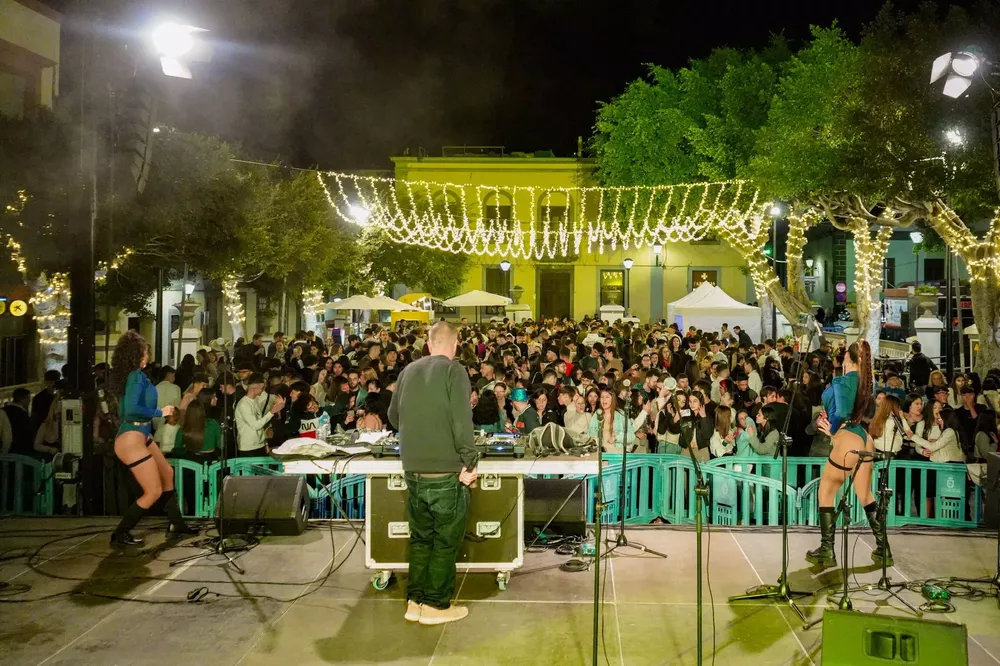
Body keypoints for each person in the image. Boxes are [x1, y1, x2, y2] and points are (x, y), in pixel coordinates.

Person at [388, 321, 478, 626]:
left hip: (412, 471)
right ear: (455, 344)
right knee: (444, 542)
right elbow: (460, 421)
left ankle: (415, 601)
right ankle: (436, 606)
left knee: (421, 538)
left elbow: (392, 416)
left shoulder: (407, 372)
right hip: (445, 473)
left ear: (428, 343)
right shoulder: (455, 371)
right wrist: (470, 461)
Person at [108, 331, 195, 546]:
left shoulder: (135, 375)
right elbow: (130, 410)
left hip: (140, 435)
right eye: (146, 351)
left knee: (167, 472)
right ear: (138, 354)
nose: (148, 355)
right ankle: (120, 533)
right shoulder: (136, 376)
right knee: (153, 491)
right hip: (131, 438)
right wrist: (160, 412)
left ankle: (177, 524)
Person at [806, 340, 886, 569]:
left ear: (847, 359)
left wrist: (830, 430)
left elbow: (840, 411)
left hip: (845, 438)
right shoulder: (866, 382)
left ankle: (826, 549)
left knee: (826, 491)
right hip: (863, 437)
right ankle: (883, 547)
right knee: (865, 494)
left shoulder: (842, 381)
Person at [235, 373, 285, 456]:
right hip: (248, 447)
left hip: (260, 444)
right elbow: (255, 425)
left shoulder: (255, 400)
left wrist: (265, 444)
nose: (263, 390)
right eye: (262, 388)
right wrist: (272, 412)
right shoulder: (244, 404)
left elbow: (260, 423)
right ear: (254, 387)